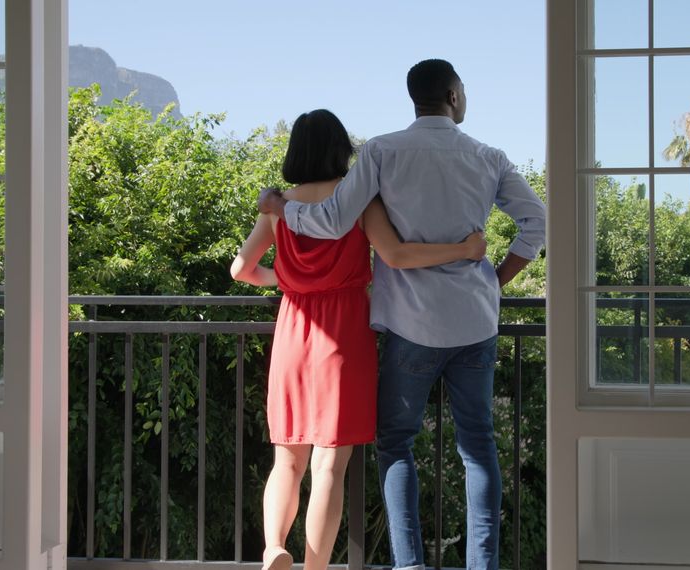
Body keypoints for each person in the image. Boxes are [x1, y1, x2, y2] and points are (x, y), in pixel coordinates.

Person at [258, 60, 546, 570]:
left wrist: (284, 210)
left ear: (415, 99)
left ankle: (409, 565)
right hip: (474, 322)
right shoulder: (489, 157)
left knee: (396, 444)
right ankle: (483, 565)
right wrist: (496, 280)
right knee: (478, 447)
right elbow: (536, 220)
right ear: (454, 96)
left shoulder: (382, 151)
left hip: (411, 324)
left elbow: (333, 221)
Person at [231, 108, 487, 570]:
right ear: (340, 150)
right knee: (329, 466)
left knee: (286, 459)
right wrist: (464, 249)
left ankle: (273, 548)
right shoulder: (358, 201)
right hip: (343, 337)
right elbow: (397, 254)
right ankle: (315, 567)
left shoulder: (277, 208)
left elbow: (241, 270)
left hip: (293, 332)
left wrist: (288, 279)